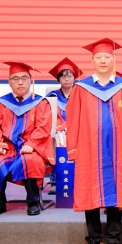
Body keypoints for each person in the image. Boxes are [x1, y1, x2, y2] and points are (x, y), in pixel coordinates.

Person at [66, 38, 122, 244]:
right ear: (92, 61)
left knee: (116, 190)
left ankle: (113, 239)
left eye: (107, 57)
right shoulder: (81, 88)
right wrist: (73, 148)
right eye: (98, 57)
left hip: (118, 148)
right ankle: (93, 239)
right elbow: (73, 119)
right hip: (88, 148)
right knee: (89, 190)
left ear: (114, 59)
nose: (103, 61)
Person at [0, 62, 53, 216]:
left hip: (31, 147)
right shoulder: (0, 103)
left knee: (30, 160)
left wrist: (32, 144)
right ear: (9, 82)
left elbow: (43, 127)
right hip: (7, 147)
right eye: (15, 78)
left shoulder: (41, 103)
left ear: (31, 80)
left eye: (24, 78)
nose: (20, 82)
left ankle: (32, 203)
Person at [46, 58, 83, 194]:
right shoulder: (52, 96)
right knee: (57, 140)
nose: (66, 79)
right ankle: (56, 180)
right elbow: (50, 117)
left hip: (79, 131)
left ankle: (80, 179)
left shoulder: (81, 94)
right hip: (59, 132)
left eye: (70, 76)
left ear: (74, 77)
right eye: (63, 76)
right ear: (58, 79)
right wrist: (62, 127)